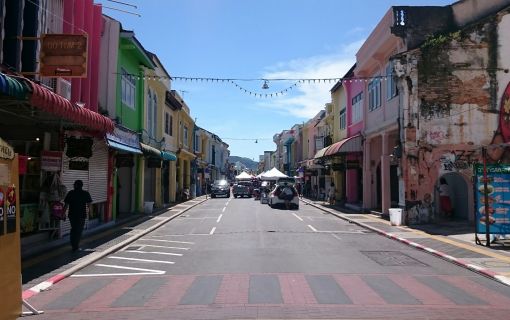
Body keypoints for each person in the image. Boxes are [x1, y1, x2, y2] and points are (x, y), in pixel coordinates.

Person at [63, 180, 92, 252]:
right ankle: (75, 246)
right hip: (81, 215)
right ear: (82, 186)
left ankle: (73, 245)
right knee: (78, 230)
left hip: (72, 215)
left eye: (74, 184)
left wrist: (63, 213)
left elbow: (66, 205)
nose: (73, 185)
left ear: (75, 185)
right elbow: (89, 205)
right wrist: (90, 213)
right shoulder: (85, 193)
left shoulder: (71, 193)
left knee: (73, 229)